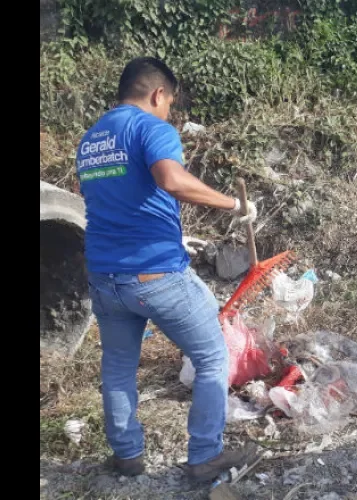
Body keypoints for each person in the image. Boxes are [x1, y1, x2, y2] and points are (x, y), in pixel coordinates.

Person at [76, 57, 259, 482]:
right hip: (155, 274)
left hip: (104, 277)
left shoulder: (91, 139)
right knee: (212, 356)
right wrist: (235, 205)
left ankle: (127, 457)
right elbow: (172, 180)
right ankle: (204, 457)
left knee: (118, 366)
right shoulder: (151, 127)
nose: (169, 113)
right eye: (170, 103)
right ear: (159, 94)